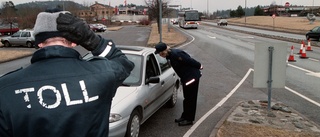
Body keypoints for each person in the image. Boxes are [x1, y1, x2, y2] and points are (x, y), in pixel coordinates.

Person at [0, 9, 134, 137]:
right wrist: (92, 40)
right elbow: (124, 63)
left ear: (39, 43)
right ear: (75, 42)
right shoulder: (103, 73)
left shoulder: (5, 88)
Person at [154, 42, 203, 126]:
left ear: (164, 51)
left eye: (160, 53)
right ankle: (184, 116)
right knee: (186, 98)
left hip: (192, 78)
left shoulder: (176, 54)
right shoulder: (169, 56)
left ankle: (189, 119)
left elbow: (189, 60)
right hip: (186, 78)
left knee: (191, 99)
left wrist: (199, 66)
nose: (160, 55)